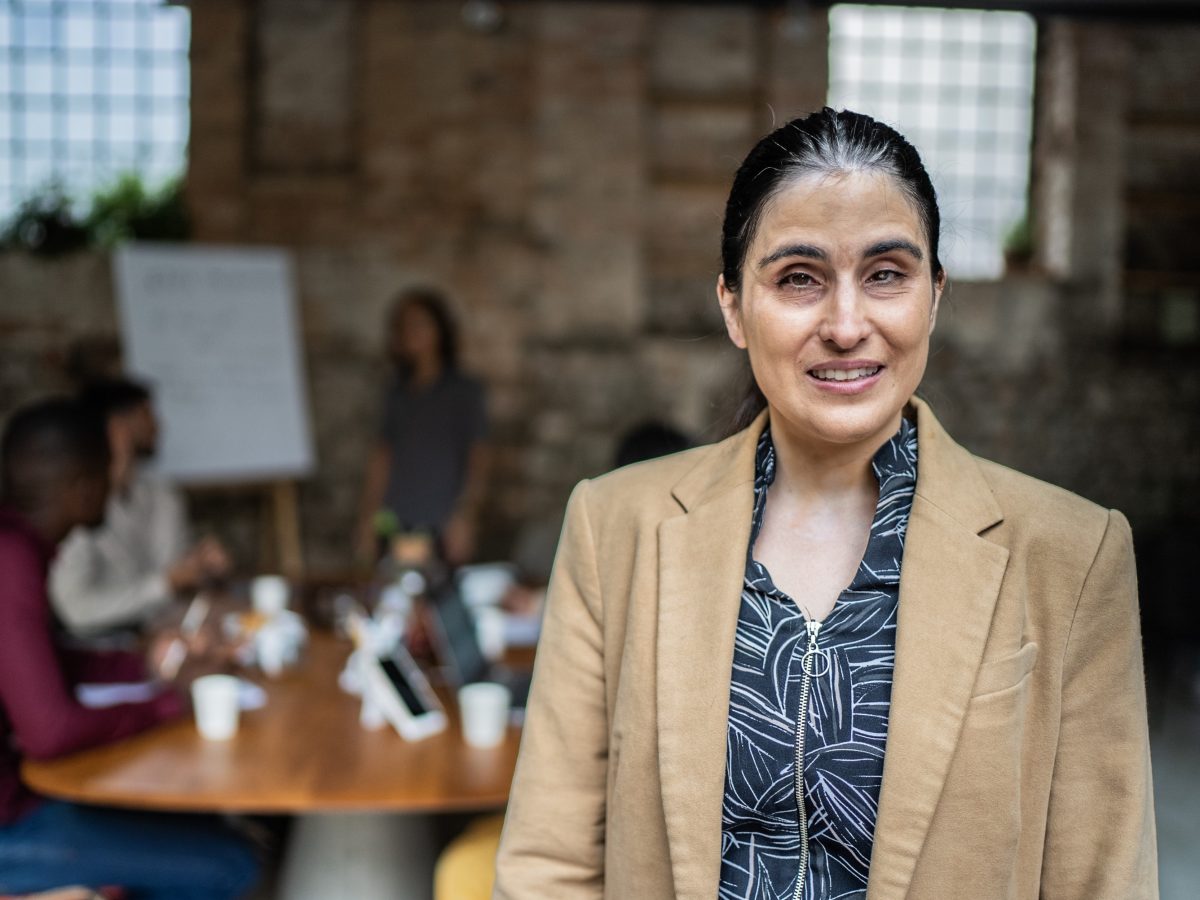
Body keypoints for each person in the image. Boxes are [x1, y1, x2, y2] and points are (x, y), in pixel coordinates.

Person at [494, 109, 1157, 899]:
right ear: (734, 306)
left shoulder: (1072, 556)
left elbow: (1101, 881)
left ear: (934, 297)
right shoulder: (616, 528)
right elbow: (549, 865)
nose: (847, 325)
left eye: (886, 274)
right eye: (799, 278)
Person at [0, 398, 259, 897]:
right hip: (10, 828)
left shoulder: (18, 546)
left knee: (209, 834)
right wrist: (172, 703)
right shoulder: (10, 560)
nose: (122, 481)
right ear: (84, 487)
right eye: (113, 468)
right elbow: (50, 733)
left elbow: (52, 661)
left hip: (24, 800)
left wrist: (149, 666)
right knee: (229, 862)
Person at [50, 378, 230, 638]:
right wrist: (165, 584)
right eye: (147, 414)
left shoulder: (161, 495)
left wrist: (201, 568)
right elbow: (77, 610)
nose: (159, 425)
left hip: (168, 634)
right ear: (117, 428)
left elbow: (175, 575)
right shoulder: (77, 506)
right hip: (107, 647)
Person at [356, 286, 489, 566]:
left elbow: (479, 459)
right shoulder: (397, 393)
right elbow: (382, 458)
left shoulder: (463, 392)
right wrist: (367, 519)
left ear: (440, 330)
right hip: (395, 519)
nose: (409, 333)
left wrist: (465, 515)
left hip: (441, 523)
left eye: (419, 324)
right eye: (403, 326)